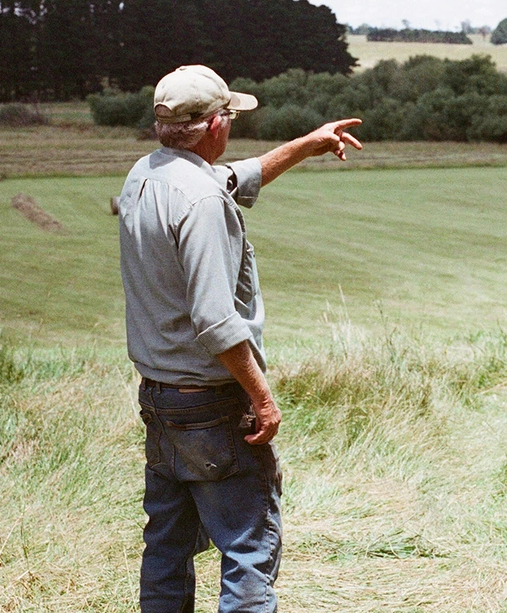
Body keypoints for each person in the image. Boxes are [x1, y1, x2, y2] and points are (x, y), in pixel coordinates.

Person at [118, 64, 362, 612]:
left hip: (160, 396)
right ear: (211, 127)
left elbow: (233, 178)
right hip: (210, 401)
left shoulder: (146, 175)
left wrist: (308, 144)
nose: (231, 125)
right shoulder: (203, 205)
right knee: (248, 552)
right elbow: (214, 320)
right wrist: (261, 396)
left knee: (166, 549)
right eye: (228, 115)